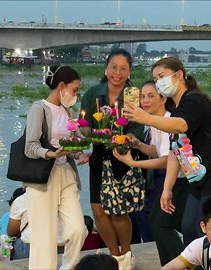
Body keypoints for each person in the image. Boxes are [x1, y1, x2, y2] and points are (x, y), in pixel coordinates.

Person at [123, 57, 211, 248]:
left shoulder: (193, 100)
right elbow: (175, 150)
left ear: (179, 75)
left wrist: (146, 118)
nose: (158, 83)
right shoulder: (176, 107)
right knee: (189, 228)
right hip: (199, 178)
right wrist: (167, 189)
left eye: (161, 77)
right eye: (155, 80)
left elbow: (181, 125)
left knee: (206, 230)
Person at [80, 49, 144, 269]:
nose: (118, 72)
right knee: (98, 209)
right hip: (99, 154)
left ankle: (127, 255)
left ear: (129, 72)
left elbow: (138, 129)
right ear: (106, 69)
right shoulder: (93, 93)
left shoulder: (133, 95)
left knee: (118, 210)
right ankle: (113, 255)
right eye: (113, 67)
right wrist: (91, 133)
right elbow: (85, 125)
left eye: (123, 68)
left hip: (122, 156)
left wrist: (127, 138)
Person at [24, 65, 89, 269]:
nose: (75, 95)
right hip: (44, 176)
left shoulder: (69, 111)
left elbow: (72, 140)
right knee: (45, 236)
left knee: (78, 229)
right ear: (61, 86)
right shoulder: (39, 108)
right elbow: (30, 146)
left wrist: (79, 152)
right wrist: (52, 153)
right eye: (74, 89)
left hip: (66, 173)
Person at [113, 80, 176, 244]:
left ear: (163, 99)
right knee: (142, 212)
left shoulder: (168, 121)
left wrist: (132, 163)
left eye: (151, 96)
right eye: (142, 97)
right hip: (159, 176)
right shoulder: (153, 122)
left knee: (152, 217)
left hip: (172, 178)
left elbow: (165, 161)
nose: (145, 101)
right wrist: (137, 144)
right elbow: (156, 152)